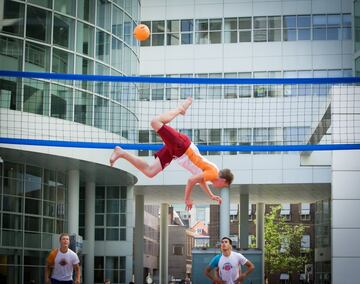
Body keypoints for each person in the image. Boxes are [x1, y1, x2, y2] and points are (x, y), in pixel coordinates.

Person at [110, 97, 234, 210]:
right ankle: (179, 109)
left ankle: (121, 153)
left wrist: (211, 196)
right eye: (223, 185)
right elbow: (191, 180)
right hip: (182, 147)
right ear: (223, 179)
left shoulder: (211, 174)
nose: (220, 187)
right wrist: (187, 199)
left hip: (177, 154)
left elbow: (200, 180)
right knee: (155, 122)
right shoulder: (213, 172)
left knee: (150, 171)